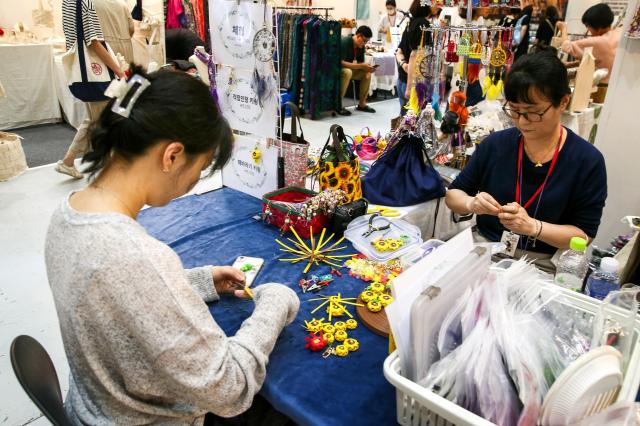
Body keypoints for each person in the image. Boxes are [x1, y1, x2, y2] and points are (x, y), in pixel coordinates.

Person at [45, 66, 300, 424]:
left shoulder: (68, 212)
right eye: (200, 168)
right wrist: (275, 303)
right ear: (172, 156)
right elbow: (230, 389)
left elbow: (120, 299)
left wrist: (196, 282)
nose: (194, 181)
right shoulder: (135, 255)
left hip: (95, 408)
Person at [445, 52, 607, 273]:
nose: (521, 121)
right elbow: (453, 195)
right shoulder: (495, 145)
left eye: (533, 112)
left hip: (542, 264)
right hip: (485, 250)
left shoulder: (586, 160)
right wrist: (472, 204)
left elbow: (583, 235)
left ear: (562, 103)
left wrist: (534, 227)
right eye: (515, 110)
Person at [56, 0, 132, 179]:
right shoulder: (85, 2)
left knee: (95, 119)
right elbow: (93, 42)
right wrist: (117, 69)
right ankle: (110, 166)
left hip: (86, 71)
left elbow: (73, 38)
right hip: (97, 72)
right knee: (108, 119)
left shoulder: (67, 2)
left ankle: (68, 161)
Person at [561, 3, 621, 103]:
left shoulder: (600, 41)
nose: (587, 30)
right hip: (616, 87)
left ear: (599, 26)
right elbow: (601, 59)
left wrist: (563, 28)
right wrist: (573, 64)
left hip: (600, 89)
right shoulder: (618, 34)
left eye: (588, 26)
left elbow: (566, 46)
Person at [338, 25, 376, 116]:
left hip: (351, 69)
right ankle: (337, 104)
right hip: (339, 69)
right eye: (364, 41)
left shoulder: (360, 46)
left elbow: (360, 63)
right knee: (348, 72)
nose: (364, 43)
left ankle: (362, 104)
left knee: (366, 73)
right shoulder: (345, 42)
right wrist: (360, 66)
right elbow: (341, 63)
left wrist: (367, 69)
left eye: (366, 41)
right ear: (358, 35)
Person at [402, 0, 431, 101]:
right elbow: (415, 55)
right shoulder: (424, 24)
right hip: (418, 76)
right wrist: (409, 87)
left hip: (410, 74)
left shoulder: (411, 23)